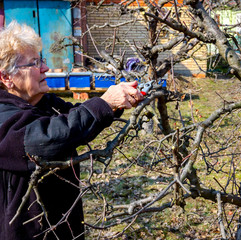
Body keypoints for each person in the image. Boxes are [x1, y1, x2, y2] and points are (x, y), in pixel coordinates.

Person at [0, 21, 144, 239]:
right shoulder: (4, 117)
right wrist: (105, 103)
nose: (45, 68)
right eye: (34, 63)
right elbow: (46, 139)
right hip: (28, 231)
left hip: (62, 224)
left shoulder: (44, 103)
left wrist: (114, 105)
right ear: (6, 77)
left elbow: (77, 119)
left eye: (42, 60)